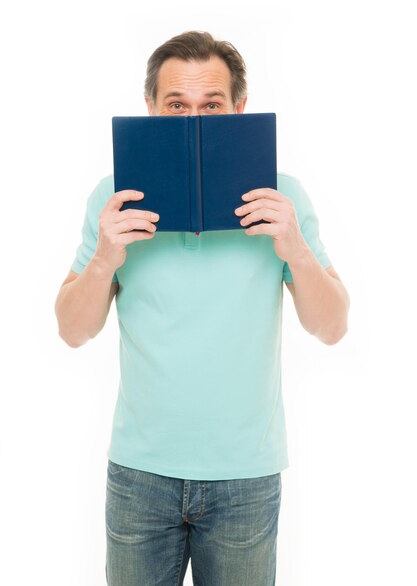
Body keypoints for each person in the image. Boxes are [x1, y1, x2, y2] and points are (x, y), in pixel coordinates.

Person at [55, 30, 350, 586]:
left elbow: (332, 327)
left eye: (211, 106)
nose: (193, 122)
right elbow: (72, 331)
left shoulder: (282, 196)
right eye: (176, 107)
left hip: (246, 477)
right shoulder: (112, 197)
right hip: (140, 475)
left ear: (240, 110)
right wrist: (104, 259)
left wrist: (295, 248)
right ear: (150, 111)